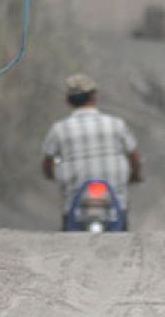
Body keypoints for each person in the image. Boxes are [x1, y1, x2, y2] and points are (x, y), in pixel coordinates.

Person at [41, 74, 142, 229]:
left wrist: (51, 175)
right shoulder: (116, 124)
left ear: (68, 101)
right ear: (94, 96)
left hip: (75, 199)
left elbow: (48, 163)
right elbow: (134, 157)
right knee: (121, 224)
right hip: (115, 197)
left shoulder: (59, 129)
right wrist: (136, 175)